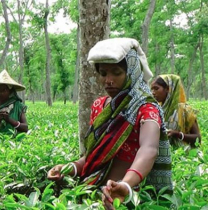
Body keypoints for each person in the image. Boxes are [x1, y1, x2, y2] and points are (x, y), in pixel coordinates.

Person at [47, 38, 173, 209]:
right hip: (92, 191)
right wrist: (69, 168)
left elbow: (149, 149)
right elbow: (95, 155)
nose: (108, 80)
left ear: (132, 72)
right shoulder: (100, 106)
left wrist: (126, 186)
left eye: (117, 72)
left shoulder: (146, 107)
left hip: (130, 197)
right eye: (104, 73)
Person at [151, 74, 201, 148]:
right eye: (152, 89)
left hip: (183, 156)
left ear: (168, 89)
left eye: (156, 88)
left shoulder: (184, 110)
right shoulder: (157, 109)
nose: (153, 92)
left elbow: (198, 138)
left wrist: (178, 134)